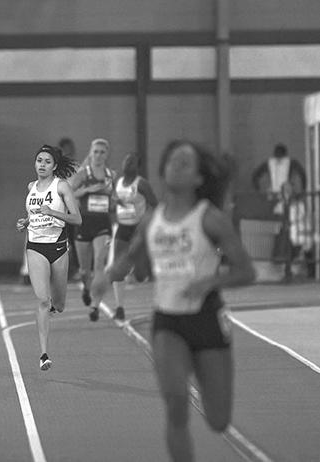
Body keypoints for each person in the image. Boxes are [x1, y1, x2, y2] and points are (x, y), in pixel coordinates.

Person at [91, 140, 255, 462]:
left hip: (207, 318)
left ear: (198, 178)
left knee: (218, 420)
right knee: (176, 403)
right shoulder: (153, 220)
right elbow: (128, 260)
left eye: (185, 162)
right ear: (163, 171)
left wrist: (211, 281)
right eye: (171, 160)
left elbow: (246, 271)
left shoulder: (210, 219)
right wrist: (105, 276)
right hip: (168, 323)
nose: (176, 165)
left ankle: (205, 369)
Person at [16, 144, 81, 371]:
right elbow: (33, 214)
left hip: (58, 248)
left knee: (59, 304)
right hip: (35, 247)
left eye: (47, 162)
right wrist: (26, 222)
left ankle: (55, 306)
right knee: (42, 300)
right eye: (39, 161)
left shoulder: (61, 186)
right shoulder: (31, 187)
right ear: (35, 163)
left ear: (54, 166)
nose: (42, 165)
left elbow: (77, 219)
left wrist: (53, 212)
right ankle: (44, 354)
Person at [69, 138, 116, 322]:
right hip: (84, 223)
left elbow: (115, 201)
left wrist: (112, 200)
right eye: (95, 151)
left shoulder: (111, 175)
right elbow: (67, 194)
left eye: (102, 152)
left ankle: (95, 305)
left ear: (107, 154)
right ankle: (86, 288)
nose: (98, 155)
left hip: (103, 224)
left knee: (99, 264)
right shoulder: (83, 173)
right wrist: (88, 190)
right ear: (91, 152)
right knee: (84, 270)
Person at [109, 152, 158, 320]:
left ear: (138, 167)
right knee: (117, 269)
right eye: (126, 160)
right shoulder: (118, 183)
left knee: (141, 275)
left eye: (132, 162)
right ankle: (119, 308)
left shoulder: (141, 184)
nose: (127, 164)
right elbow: (113, 202)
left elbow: (155, 205)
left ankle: (140, 272)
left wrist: (147, 223)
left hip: (138, 230)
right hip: (123, 228)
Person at [251, 142, 306, 214]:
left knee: (278, 215)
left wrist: (258, 191)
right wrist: (302, 191)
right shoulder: (290, 162)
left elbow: (255, 175)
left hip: (280, 194)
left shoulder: (270, 163)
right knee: (282, 214)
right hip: (279, 194)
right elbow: (302, 174)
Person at [58, 137, 80, 279]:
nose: (68, 151)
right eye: (65, 149)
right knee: (57, 240)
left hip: (73, 209)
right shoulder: (56, 169)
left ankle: (78, 268)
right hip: (59, 210)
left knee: (74, 239)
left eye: (70, 148)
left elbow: (81, 186)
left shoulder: (78, 167)